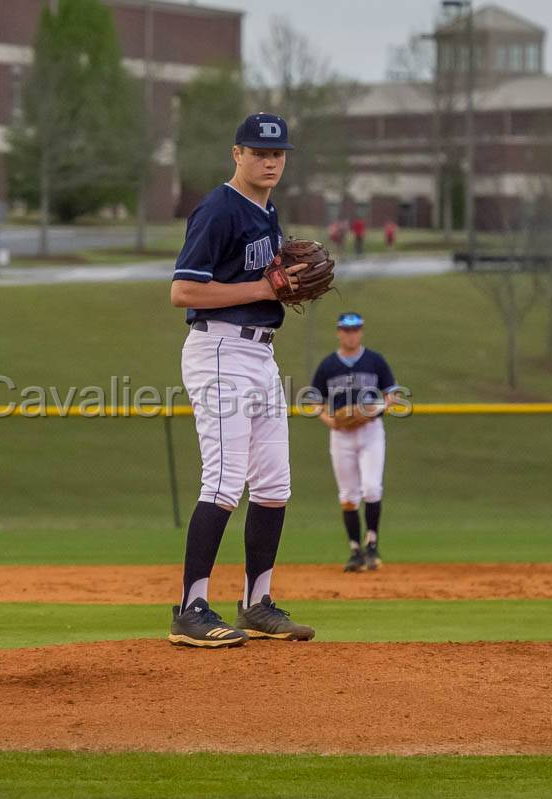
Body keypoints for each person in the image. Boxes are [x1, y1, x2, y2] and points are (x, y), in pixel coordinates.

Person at [167, 112, 316, 647]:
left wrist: (280, 284)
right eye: (259, 152)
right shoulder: (218, 209)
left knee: (274, 486)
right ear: (237, 154)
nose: (270, 160)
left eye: (278, 154)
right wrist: (261, 289)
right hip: (220, 348)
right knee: (225, 482)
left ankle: (257, 604)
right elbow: (183, 293)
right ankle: (190, 609)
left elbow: (265, 283)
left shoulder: (268, 212)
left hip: (260, 354)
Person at [310, 312, 402, 571]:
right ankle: (355, 550)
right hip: (340, 436)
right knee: (348, 495)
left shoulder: (374, 360)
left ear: (361, 332)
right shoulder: (329, 365)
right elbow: (315, 401)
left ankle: (372, 543)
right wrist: (332, 421)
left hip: (371, 431)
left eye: (355, 329)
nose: (351, 334)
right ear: (338, 332)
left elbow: (392, 394)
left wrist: (373, 410)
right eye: (346, 330)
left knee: (372, 488)